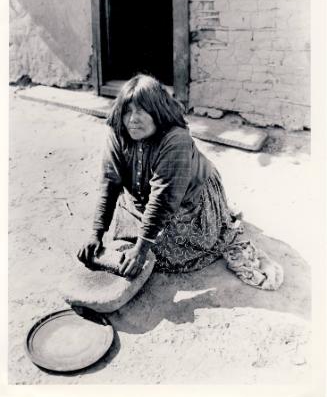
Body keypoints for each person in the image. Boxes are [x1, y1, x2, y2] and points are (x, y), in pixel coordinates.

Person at [77, 74, 283, 289]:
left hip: (186, 195)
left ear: (158, 112)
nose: (133, 119)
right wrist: (96, 233)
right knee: (132, 233)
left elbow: (163, 198)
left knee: (170, 249)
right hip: (143, 194)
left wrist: (140, 250)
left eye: (142, 110)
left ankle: (217, 214)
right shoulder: (118, 131)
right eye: (128, 110)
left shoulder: (176, 138)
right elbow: (110, 182)